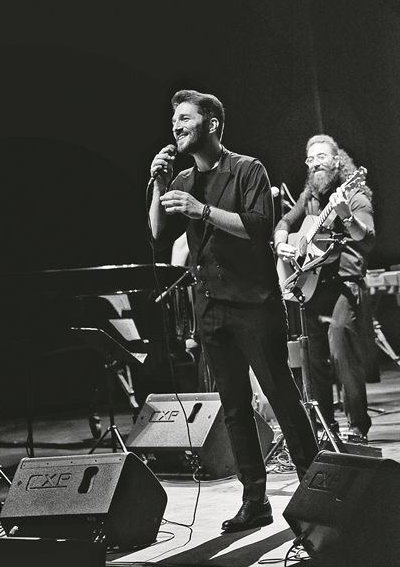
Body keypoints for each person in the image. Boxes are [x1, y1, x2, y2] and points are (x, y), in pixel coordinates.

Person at [148, 89, 318, 533]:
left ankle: (316, 492)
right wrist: (161, 185)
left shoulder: (247, 169)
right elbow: (158, 233)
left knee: (282, 397)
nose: (176, 126)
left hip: (253, 305)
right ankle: (254, 500)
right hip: (210, 306)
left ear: (212, 124)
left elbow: (259, 227)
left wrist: (201, 210)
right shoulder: (183, 179)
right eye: (174, 120)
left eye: (185, 118)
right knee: (234, 408)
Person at [273, 134, 376, 443]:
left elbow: (368, 240)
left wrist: (346, 217)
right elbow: (285, 222)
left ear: (336, 161)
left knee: (342, 352)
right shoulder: (309, 197)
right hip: (314, 284)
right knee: (313, 358)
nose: (315, 163)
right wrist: (281, 244)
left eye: (321, 157)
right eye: (311, 158)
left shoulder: (355, 195)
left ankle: (358, 428)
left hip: (345, 285)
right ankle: (325, 428)